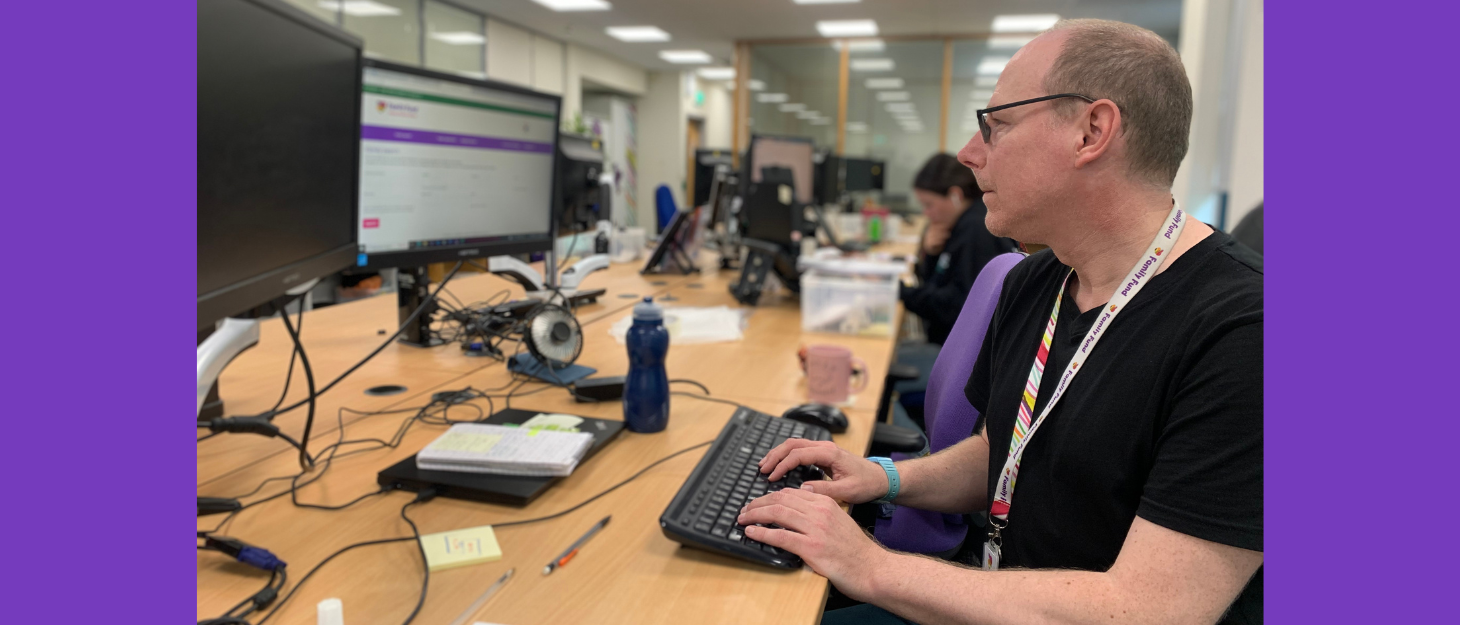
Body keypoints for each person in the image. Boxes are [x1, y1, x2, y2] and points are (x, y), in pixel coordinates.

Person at [740, 18, 1263, 625]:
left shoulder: (1245, 333)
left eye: (997, 124)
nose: (969, 153)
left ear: (1092, 131)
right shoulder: (1037, 279)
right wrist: (882, 477)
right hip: (990, 594)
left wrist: (870, 565)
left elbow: (1151, 610)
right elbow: (1000, 452)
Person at [901, 153, 1019, 345]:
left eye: (929, 205)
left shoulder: (976, 230)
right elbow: (936, 284)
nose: (926, 213)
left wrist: (901, 293)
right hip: (952, 341)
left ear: (955, 195)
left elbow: (955, 307)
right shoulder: (960, 224)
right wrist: (932, 254)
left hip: (962, 349)